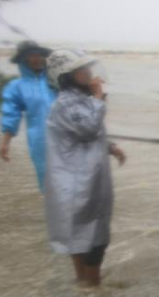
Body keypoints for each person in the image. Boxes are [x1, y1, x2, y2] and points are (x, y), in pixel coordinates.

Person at [43, 49, 126, 288]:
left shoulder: (78, 100)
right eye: (81, 69)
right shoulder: (66, 103)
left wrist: (109, 146)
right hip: (79, 183)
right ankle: (93, 287)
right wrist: (99, 97)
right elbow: (88, 128)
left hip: (81, 179)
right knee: (93, 239)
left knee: (79, 235)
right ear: (66, 75)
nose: (89, 73)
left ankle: (82, 283)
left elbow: (83, 134)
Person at [0, 40, 56, 191]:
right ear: (22, 59)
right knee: (49, 184)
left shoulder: (56, 80)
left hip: (64, 137)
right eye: (31, 55)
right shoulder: (17, 86)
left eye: (39, 54)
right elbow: (11, 114)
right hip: (40, 141)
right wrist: (5, 143)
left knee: (74, 181)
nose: (36, 58)